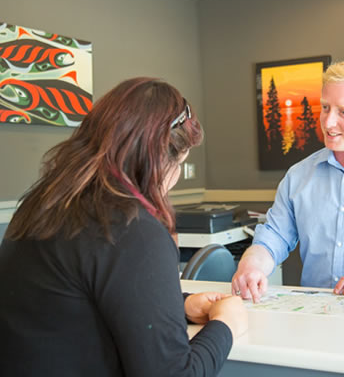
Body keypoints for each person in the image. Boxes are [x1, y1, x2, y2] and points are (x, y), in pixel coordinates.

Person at [0, 77, 247, 377]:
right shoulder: (134, 231)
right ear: (159, 160)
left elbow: (79, 301)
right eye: (181, 163)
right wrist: (226, 324)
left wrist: (181, 306)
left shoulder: (42, 204)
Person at [232, 56, 344, 301]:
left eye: (343, 112)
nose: (328, 122)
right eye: (325, 107)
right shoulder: (299, 175)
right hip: (316, 317)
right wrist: (251, 266)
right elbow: (274, 237)